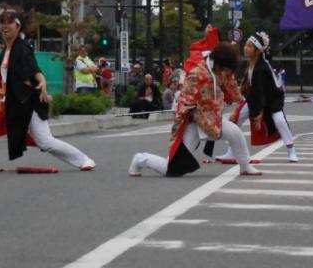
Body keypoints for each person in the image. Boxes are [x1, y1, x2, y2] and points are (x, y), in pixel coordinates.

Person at [0, 8, 95, 172]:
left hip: (26, 102)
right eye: (2, 22)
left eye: (9, 22)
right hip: (6, 101)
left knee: (45, 141)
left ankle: (83, 160)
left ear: (17, 26)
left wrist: (42, 81)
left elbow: (33, 68)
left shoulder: (22, 48)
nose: (5, 26)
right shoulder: (6, 49)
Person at [128, 41, 261, 177]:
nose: (227, 73)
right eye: (225, 69)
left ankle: (245, 166)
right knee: (172, 169)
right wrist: (195, 121)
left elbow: (231, 85)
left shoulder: (221, 69)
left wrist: (242, 100)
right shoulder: (196, 74)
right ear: (219, 64)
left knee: (235, 133)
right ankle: (140, 159)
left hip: (212, 118)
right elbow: (184, 103)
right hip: (193, 121)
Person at [241, 31, 298, 162]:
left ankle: (291, 150)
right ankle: (232, 151)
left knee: (280, 121)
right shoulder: (251, 64)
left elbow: (262, 91)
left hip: (271, 101)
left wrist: (260, 111)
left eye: (249, 46)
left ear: (258, 51)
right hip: (255, 100)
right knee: (236, 119)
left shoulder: (262, 68)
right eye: (246, 45)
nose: (245, 48)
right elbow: (248, 86)